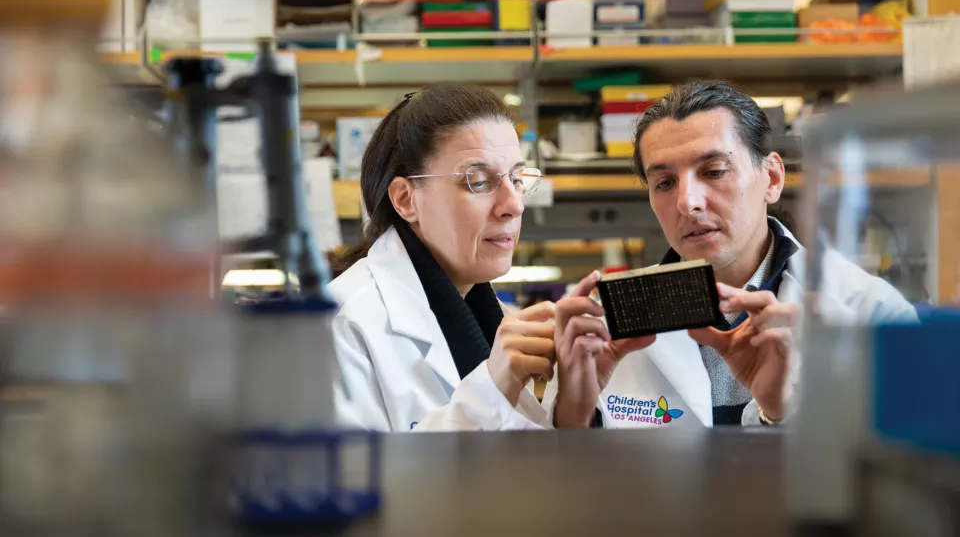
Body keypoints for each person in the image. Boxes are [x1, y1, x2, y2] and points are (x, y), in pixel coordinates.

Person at [543, 81, 918, 429]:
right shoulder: (601, 325)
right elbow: (561, 484)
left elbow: (908, 476)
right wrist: (574, 414)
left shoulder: (873, 314)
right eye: (664, 182)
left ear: (771, 178)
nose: (687, 202)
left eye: (714, 171)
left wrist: (781, 410)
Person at [327, 85, 553, 432]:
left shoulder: (487, 317)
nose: (514, 205)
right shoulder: (343, 326)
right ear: (406, 199)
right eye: (478, 181)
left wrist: (575, 403)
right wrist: (490, 391)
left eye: (516, 179)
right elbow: (351, 481)